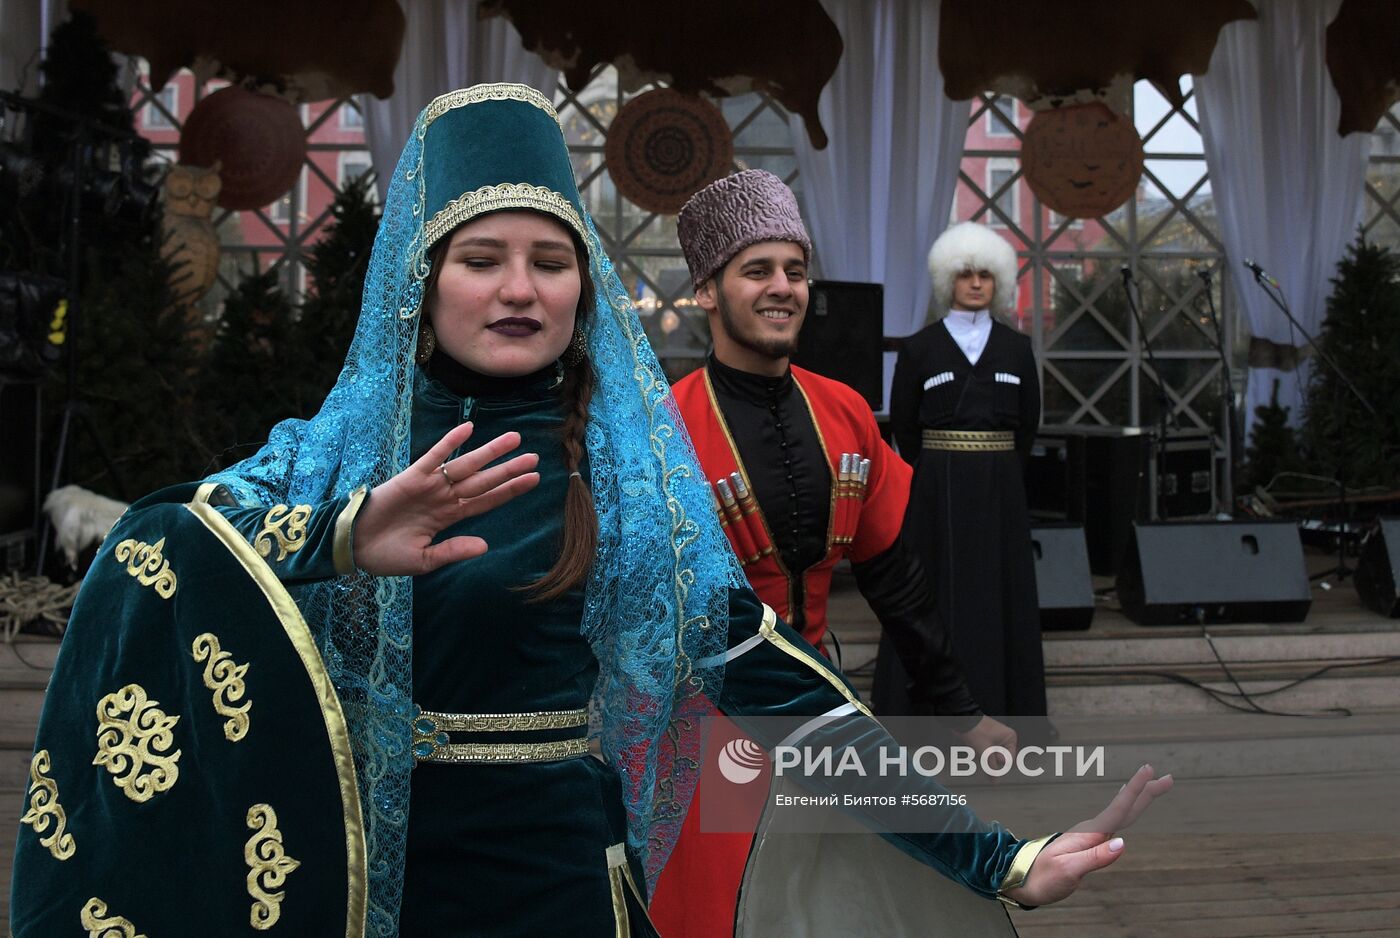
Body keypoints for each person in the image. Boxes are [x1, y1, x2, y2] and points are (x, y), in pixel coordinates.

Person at [11, 87, 1165, 938]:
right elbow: (154, 550)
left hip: (568, 885)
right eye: (481, 257)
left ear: (584, 289)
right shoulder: (335, 454)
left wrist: (997, 853)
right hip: (375, 890)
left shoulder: (626, 477)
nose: (519, 287)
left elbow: (786, 696)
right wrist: (337, 537)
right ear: (422, 279)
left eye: (548, 261)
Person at [651, 170, 1017, 938]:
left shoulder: (845, 409)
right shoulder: (662, 429)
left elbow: (893, 576)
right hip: (704, 733)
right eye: (757, 270)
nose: (783, 287)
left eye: (794, 269)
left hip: (826, 717)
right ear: (707, 292)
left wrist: (958, 709)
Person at [872, 222, 1049, 739]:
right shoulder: (921, 348)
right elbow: (903, 423)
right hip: (936, 490)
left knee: (1000, 593)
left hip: (1000, 492)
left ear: (999, 283)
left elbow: (1028, 426)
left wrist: (996, 471)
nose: (975, 283)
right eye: (966, 273)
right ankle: (924, 715)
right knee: (927, 593)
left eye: (986, 275)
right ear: (948, 279)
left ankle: (1004, 711)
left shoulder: (1017, 350)